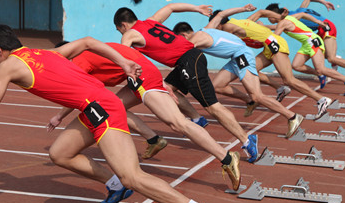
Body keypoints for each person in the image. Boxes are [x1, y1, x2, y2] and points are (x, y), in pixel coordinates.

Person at [0, 25, 213, 203]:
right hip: (94, 107)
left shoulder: (7, 66)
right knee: (59, 153)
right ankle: (114, 185)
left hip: (103, 110)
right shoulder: (44, 52)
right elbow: (88, 42)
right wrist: (122, 61)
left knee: (132, 175)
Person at [52, 42, 244, 180]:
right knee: (111, 106)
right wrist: (159, 79)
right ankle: (153, 139)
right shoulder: (93, 51)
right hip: (142, 74)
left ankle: (226, 157)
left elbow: (79, 93)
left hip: (141, 77)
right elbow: (130, 56)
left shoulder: (78, 62)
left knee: (178, 123)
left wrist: (59, 116)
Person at [114, 4, 258, 168]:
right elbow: (170, 7)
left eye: (119, 30)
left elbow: (123, 58)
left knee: (213, 107)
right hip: (188, 60)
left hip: (189, 62)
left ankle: (246, 139)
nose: (121, 33)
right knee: (166, 88)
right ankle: (197, 119)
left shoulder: (129, 35)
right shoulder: (151, 21)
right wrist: (197, 8)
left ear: (123, 25)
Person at [171, 10, 304, 142]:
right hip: (236, 57)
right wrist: (244, 9)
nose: (179, 42)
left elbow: (180, 54)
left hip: (242, 56)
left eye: (179, 39)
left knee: (257, 95)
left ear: (183, 35)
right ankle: (249, 101)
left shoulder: (195, 39)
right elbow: (221, 15)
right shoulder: (206, 28)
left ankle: (292, 116)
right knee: (217, 86)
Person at [205, 4, 332, 119]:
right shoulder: (242, 22)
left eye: (216, 26)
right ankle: (280, 88)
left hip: (275, 44)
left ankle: (321, 99)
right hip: (268, 46)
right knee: (252, 70)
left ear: (219, 24)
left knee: (289, 80)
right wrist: (279, 17)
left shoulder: (228, 28)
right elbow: (261, 12)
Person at [256, 5, 345, 96]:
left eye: (268, 17)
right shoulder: (289, 18)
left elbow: (275, 37)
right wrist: (317, 22)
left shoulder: (283, 23)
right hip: (306, 44)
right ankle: (320, 74)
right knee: (296, 66)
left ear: (274, 15)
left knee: (321, 68)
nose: (268, 19)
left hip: (313, 41)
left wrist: (261, 30)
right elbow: (303, 14)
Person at [286, 0, 345, 83]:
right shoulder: (300, 9)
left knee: (331, 58)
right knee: (317, 51)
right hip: (321, 29)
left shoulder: (291, 18)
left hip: (326, 26)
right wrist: (324, 2)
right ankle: (331, 62)